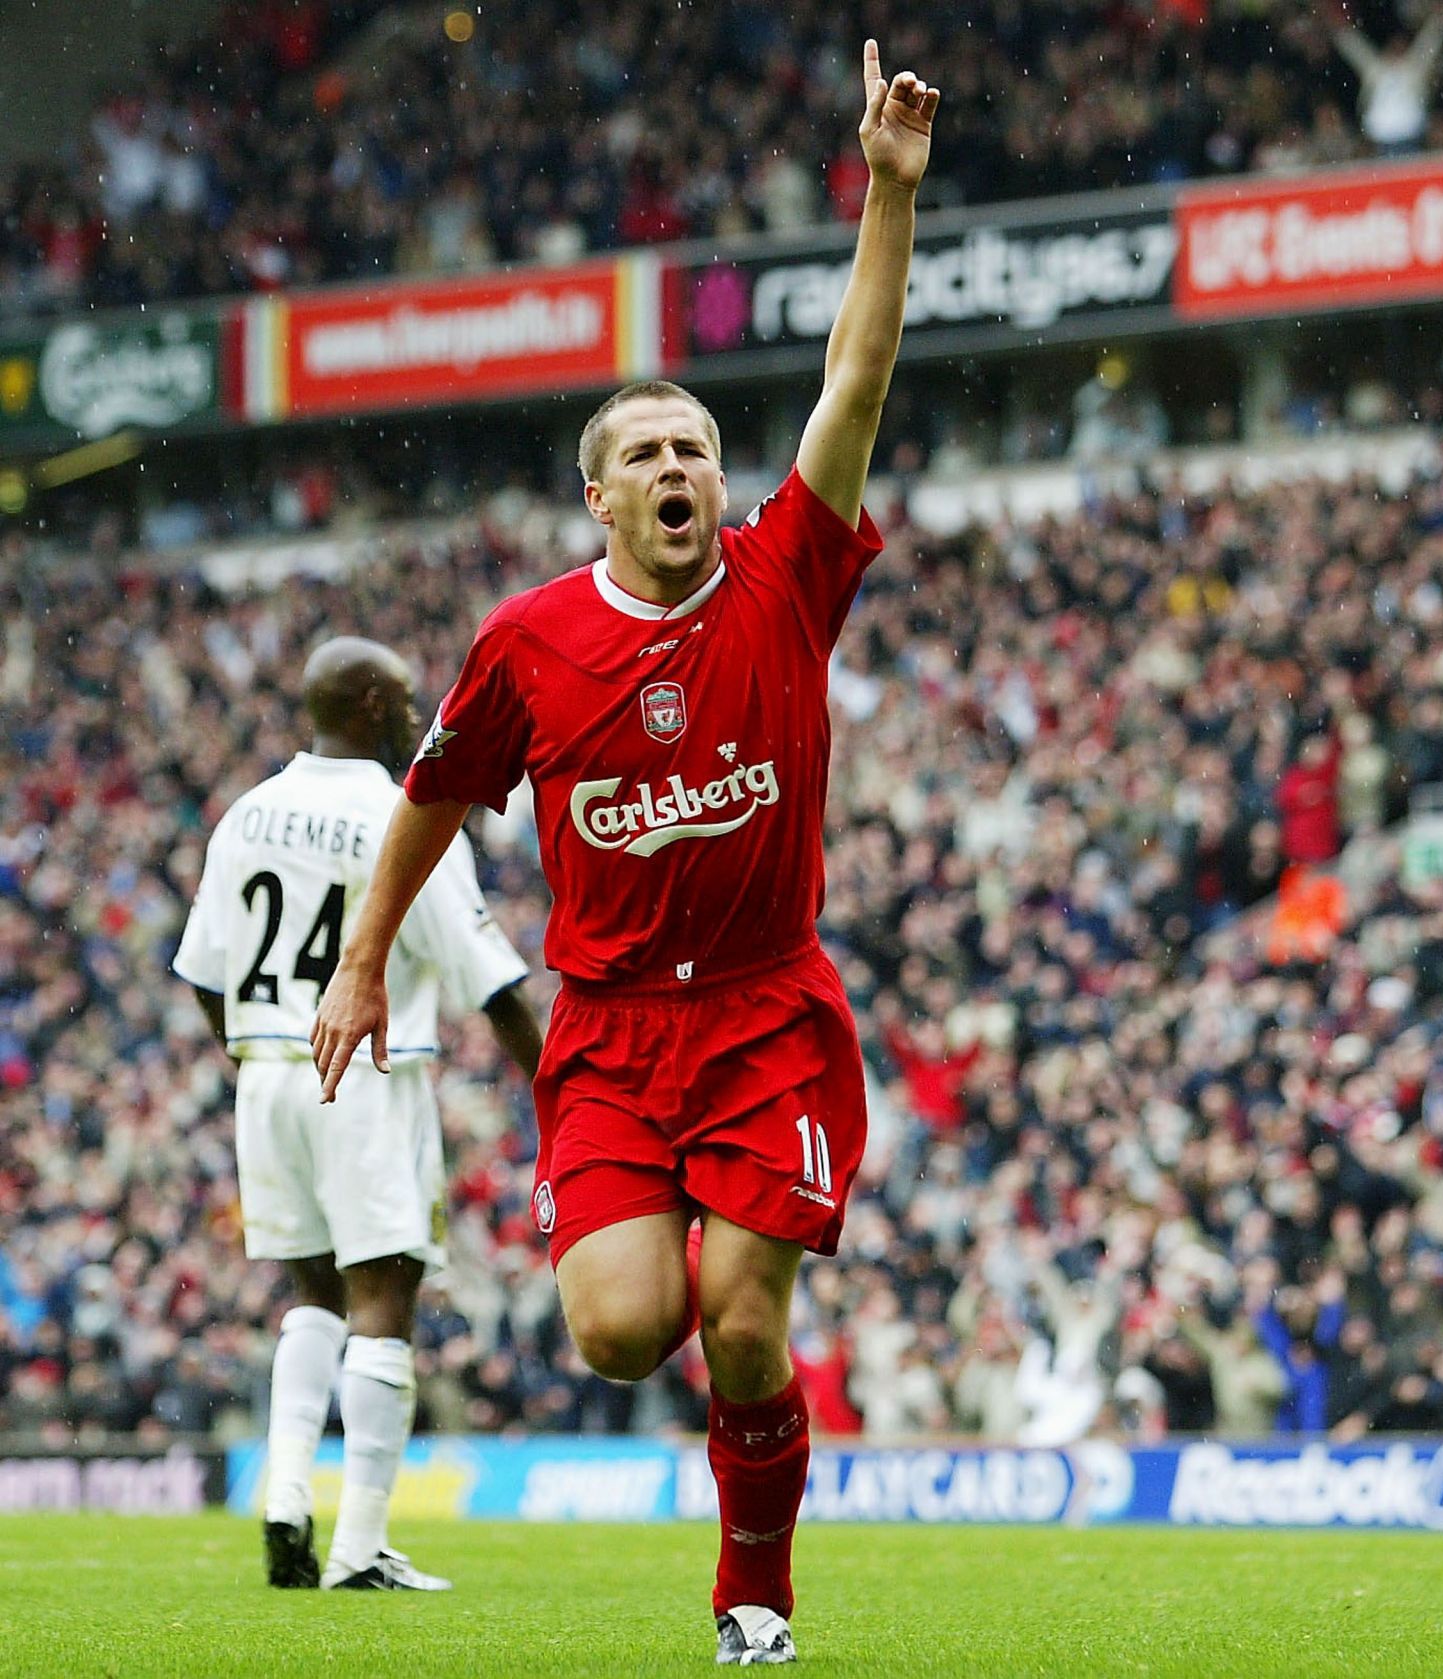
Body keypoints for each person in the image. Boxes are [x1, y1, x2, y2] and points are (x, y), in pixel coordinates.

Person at [311, 41, 938, 1666]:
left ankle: (756, 1599)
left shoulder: (787, 574)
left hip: (764, 1009)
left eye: (694, 446)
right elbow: (436, 798)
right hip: (604, 1031)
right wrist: (369, 955)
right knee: (615, 1332)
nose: (679, 465)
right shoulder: (526, 644)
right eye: (645, 452)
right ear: (597, 496)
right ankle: (713, 1371)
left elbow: (855, 382)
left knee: (741, 1321)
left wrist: (890, 190)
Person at [173, 637, 543, 1590]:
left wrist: (260, 1053)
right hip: (368, 1073)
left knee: (312, 1295)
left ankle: (284, 1495)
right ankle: (359, 1544)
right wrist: (561, 1090)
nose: (422, 710)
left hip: (266, 1071)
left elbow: (204, 974)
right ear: (374, 703)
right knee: (385, 1296)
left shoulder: (246, 813)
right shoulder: (402, 815)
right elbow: (494, 982)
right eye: (410, 697)